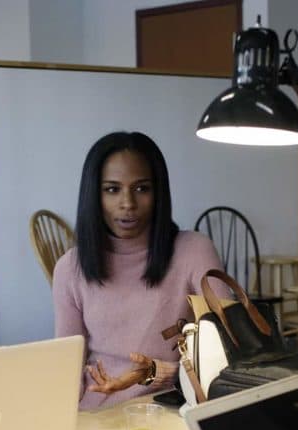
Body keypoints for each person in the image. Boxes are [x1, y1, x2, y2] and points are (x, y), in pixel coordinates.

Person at [53, 131, 226, 410]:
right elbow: (65, 373)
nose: (127, 204)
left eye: (141, 188)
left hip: (173, 409)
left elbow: (229, 352)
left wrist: (159, 373)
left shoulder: (193, 250)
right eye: (112, 189)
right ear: (92, 195)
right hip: (97, 417)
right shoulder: (70, 268)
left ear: (159, 193)